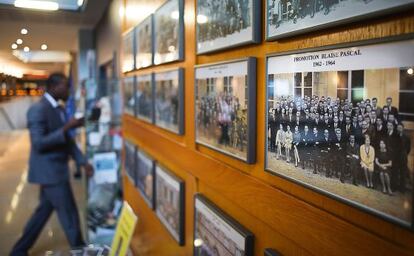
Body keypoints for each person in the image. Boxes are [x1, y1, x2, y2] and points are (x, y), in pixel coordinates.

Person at [10, 73, 94, 256]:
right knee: (69, 214)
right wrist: (67, 127)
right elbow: (39, 143)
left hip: (56, 170)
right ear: (54, 87)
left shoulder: (60, 109)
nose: (68, 91)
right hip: (50, 172)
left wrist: (82, 161)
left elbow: (67, 141)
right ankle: (81, 250)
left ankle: (18, 250)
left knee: (42, 213)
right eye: (65, 86)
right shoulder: (38, 110)